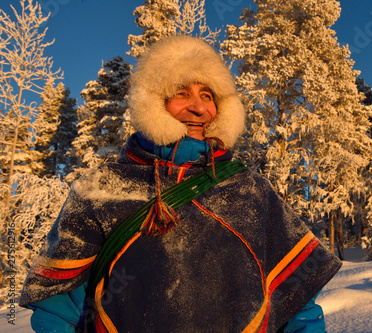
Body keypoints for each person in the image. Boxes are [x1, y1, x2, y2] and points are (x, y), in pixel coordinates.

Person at [20, 35, 342, 332]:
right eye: (181, 93)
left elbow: (299, 306)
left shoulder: (252, 192)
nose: (198, 107)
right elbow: (58, 310)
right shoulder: (101, 190)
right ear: (154, 102)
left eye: (207, 95)